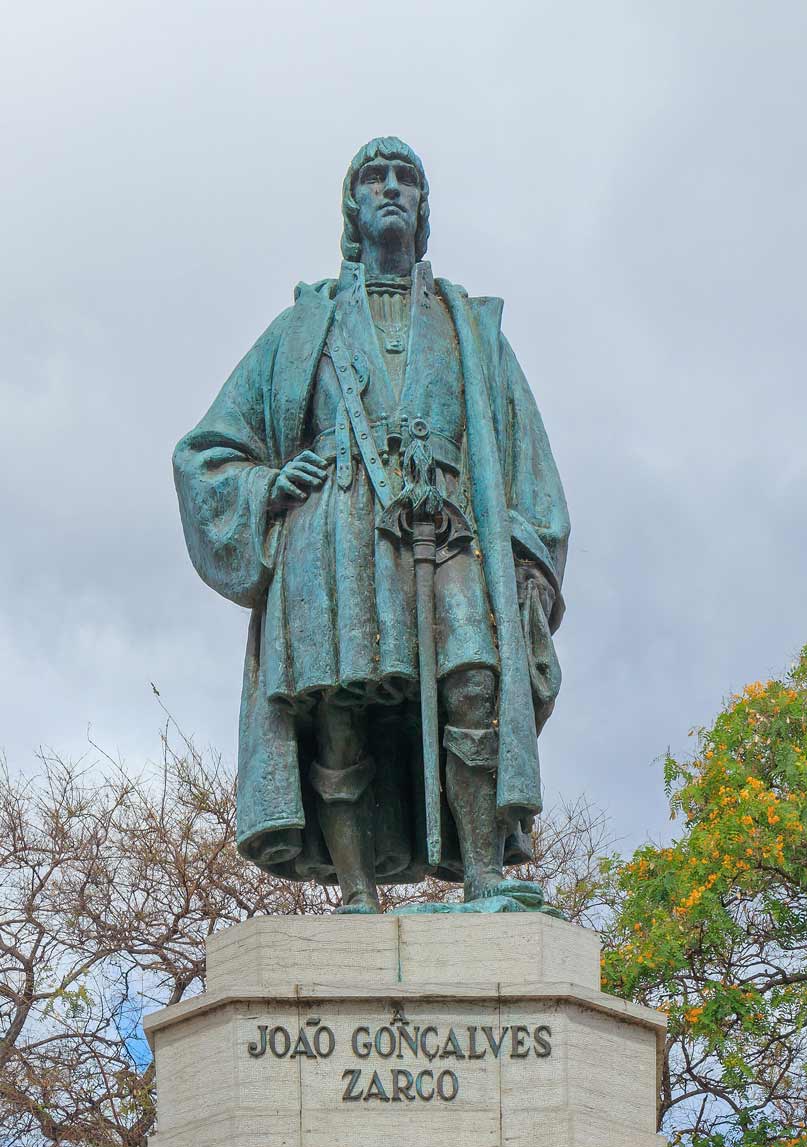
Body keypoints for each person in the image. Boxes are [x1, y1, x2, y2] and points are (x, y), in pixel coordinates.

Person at [173, 137, 569, 913]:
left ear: (422, 207)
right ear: (352, 208)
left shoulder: (469, 326)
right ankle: (355, 895)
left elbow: (525, 454)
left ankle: (482, 872)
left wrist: (528, 554)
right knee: (338, 709)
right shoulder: (302, 327)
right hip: (334, 527)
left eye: (406, 178)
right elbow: (205, 452)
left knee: (474, 680)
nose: (391, 188)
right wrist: (265, 485)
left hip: (450, 524)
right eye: (374, 178)